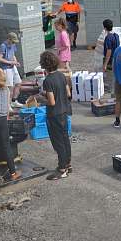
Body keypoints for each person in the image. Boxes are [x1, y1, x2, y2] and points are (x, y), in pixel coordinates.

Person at [40, 51, 73, 180]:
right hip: (64, 111)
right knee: (65, 139)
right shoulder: (61, 75)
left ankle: (62, 168)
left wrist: (42, 98)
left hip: (54, 115)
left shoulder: (48, 80)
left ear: (45, 65)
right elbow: (68, 93)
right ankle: (68, 164)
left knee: (57, 142)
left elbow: (52, 102)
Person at [0, 32, 23, 109]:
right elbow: (0, 58)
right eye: (12, 41)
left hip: (13, 67)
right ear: (8, 39)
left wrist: (15, 62)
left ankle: (14, 101)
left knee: (18, 83)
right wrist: (11, 62)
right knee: (10, 87)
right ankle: (8, 105)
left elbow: (13, 55)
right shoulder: (3, 46)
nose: (13, 43)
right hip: (6, 68)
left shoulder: (13, 44)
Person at [102, 19, 120, 95]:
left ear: (105, 28)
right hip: (117, 57)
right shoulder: (116, 35)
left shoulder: (108, 38)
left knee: (110, 75)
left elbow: (109, 51)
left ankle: (112, 91)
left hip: (111, 59)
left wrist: (105, 64)